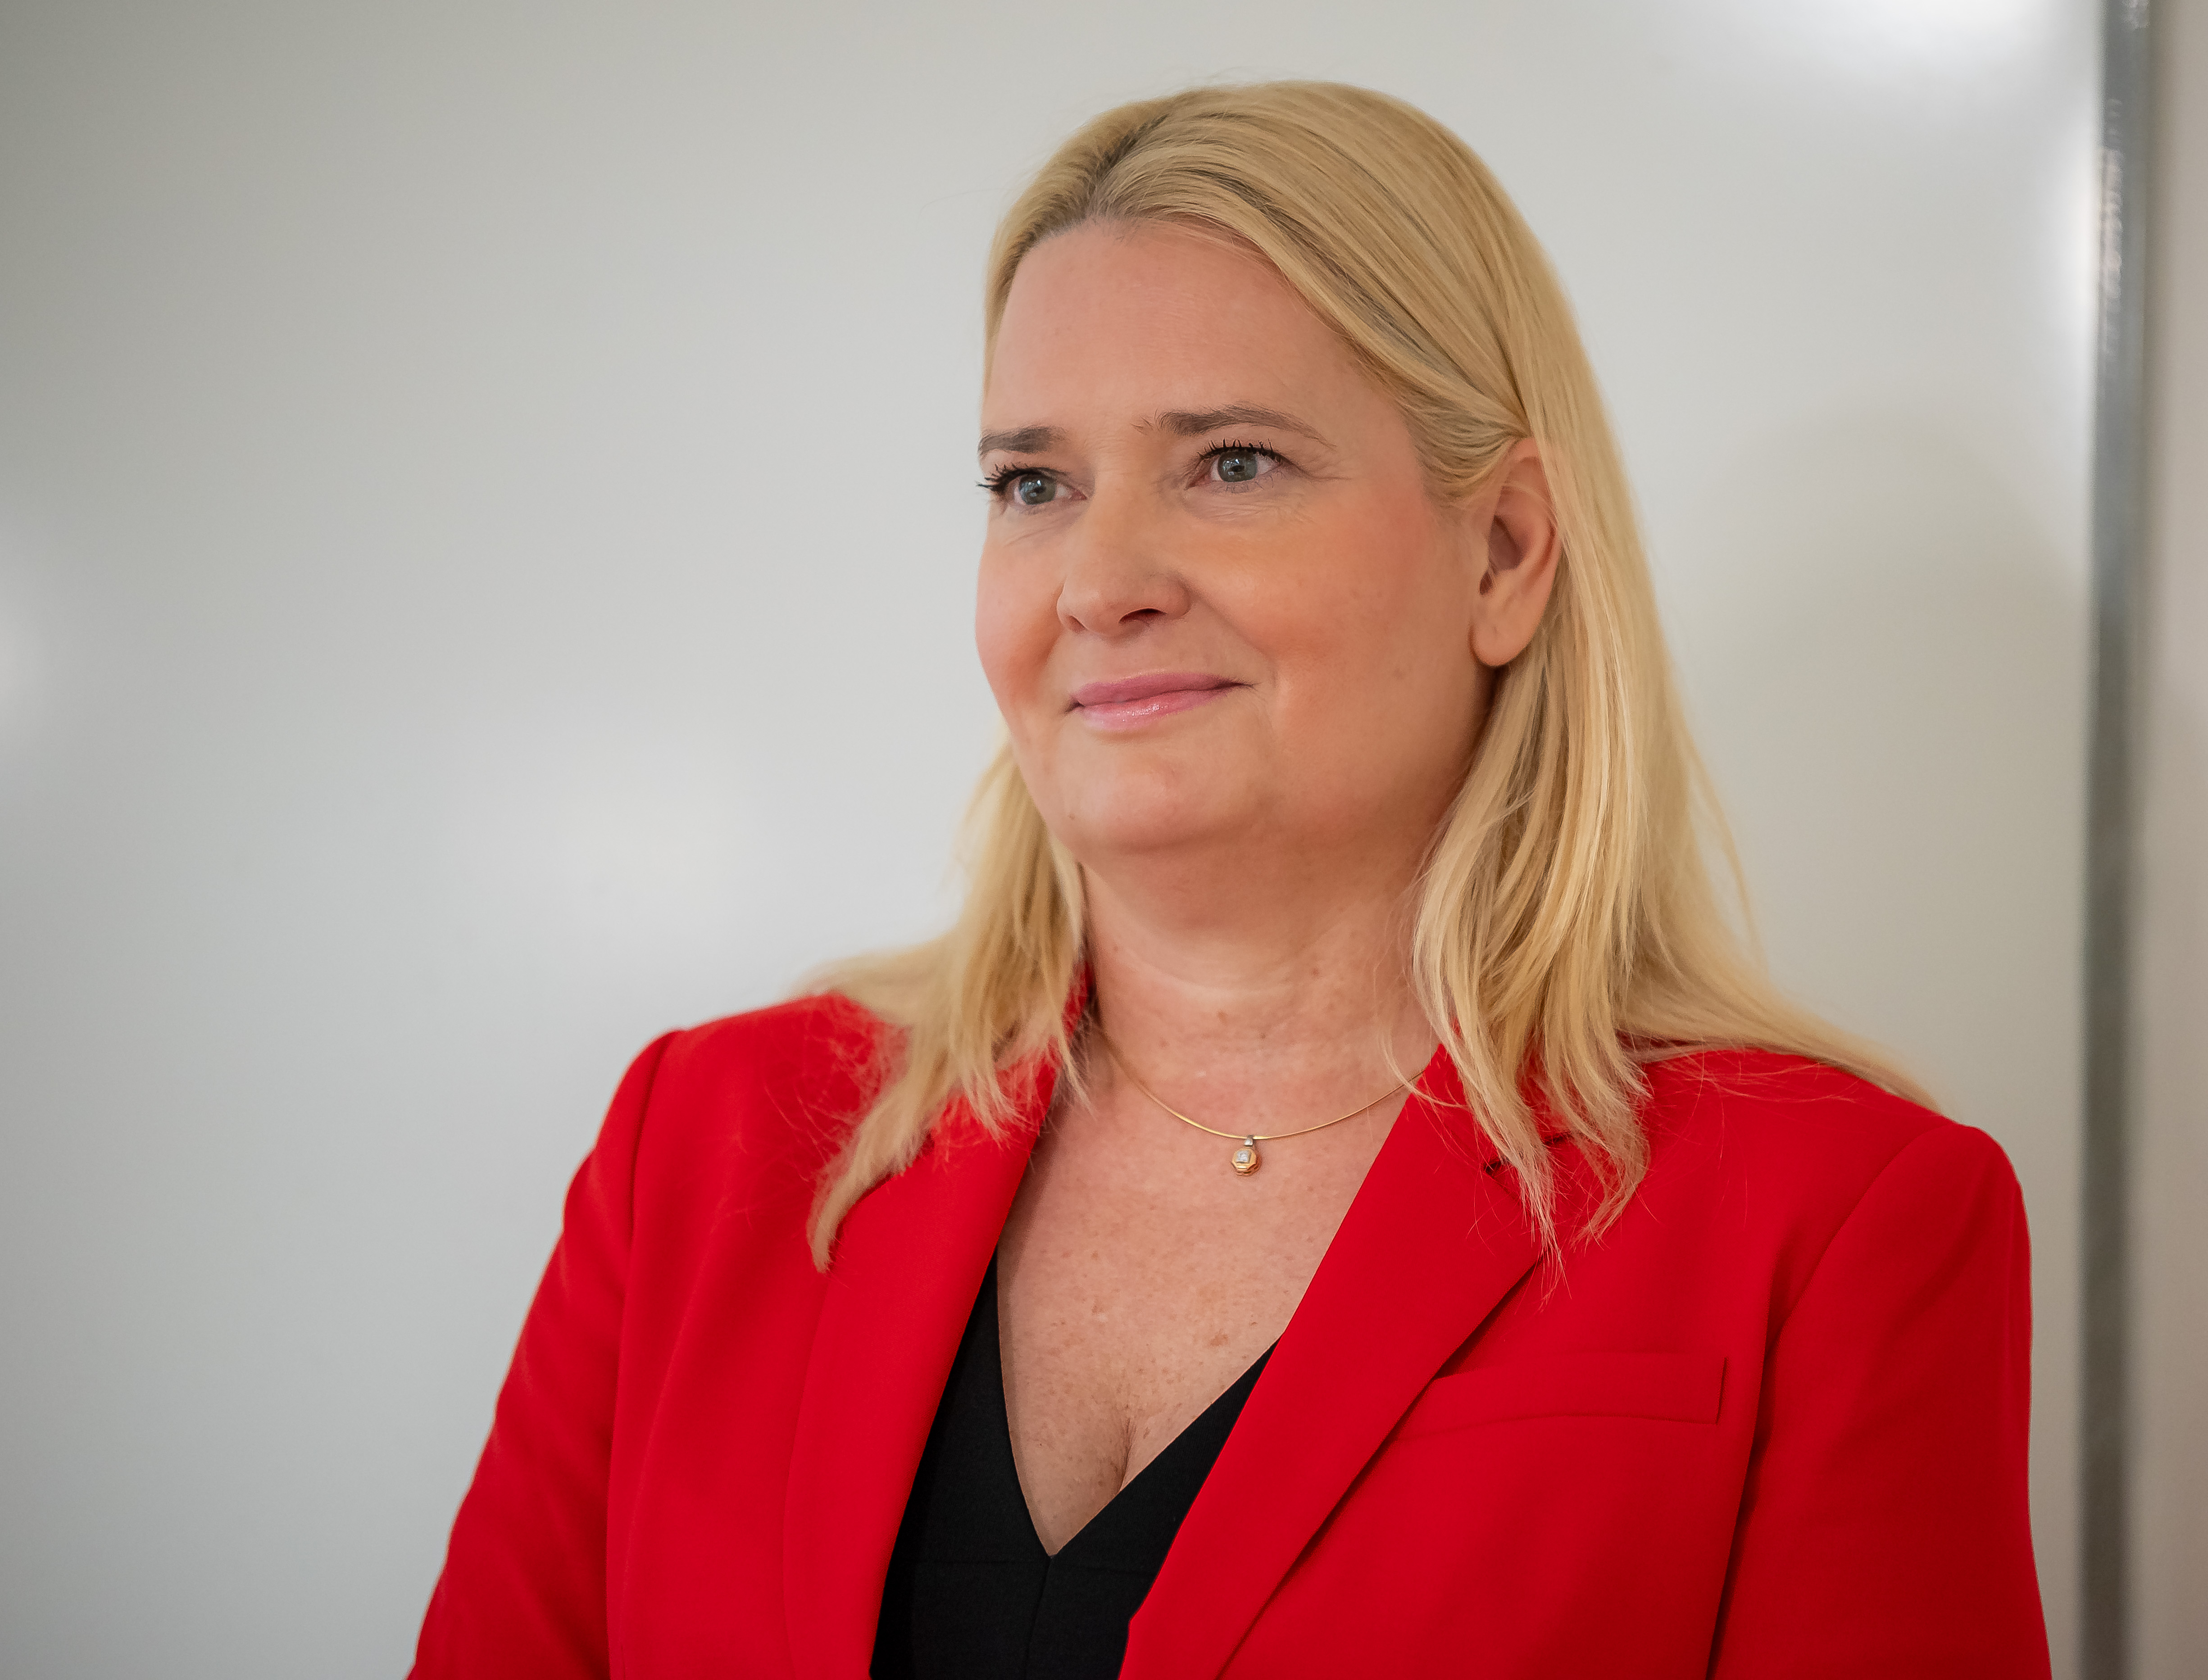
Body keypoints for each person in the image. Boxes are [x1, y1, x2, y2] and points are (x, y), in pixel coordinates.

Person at [413, 81, 2049, 1680]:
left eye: (1232, 463)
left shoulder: (1833, 1223)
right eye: (1033, 485)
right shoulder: (702, 1153)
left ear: (1502, 553)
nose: (1098, 581)